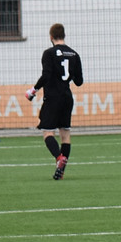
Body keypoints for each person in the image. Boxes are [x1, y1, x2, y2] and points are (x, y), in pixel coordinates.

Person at [25, 23, 83, 180]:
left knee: (47, 132)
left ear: (51, 37)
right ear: (64, 35)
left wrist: (33, 90)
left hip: (52, 98)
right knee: (65, 134)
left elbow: (46, 75)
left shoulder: (48, 53)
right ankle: (61, 171)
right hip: (67, 97)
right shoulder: (74, 54)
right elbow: (79, 82)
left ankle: (59, 158)